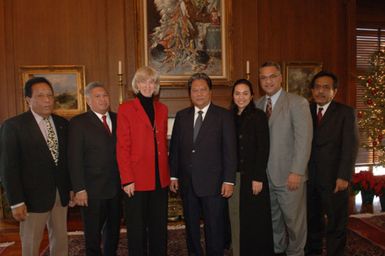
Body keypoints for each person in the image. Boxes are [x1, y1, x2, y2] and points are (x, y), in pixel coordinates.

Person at [0, 77, 73, 256]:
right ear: (28, 100)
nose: (47, 100)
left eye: (49, 95)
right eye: (40, 96)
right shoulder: (13, 126)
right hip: (31, 199)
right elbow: (8, 167)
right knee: (31, 243)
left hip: (59, 195)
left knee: (61, 239)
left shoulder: (63, 124)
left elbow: (66, 161)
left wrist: (70, 188)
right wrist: (16, 201)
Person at [169, 72, 237, 256]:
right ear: (189, 94)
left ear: (210, 92)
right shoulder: (182, 116)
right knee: (191, 227)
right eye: (194, 90)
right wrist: (173, 175)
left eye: (203, 90)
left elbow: (230, 151)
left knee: (214, 227)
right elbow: (175, 148)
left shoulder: (224, 116)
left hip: (214, 184)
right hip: (187, 183)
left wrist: (229, 180)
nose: (199, 94)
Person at [255, 62, 313, 256]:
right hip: (265, 176)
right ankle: (277, 250)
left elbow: (303, 140)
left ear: (280, 78)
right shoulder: (257, 104)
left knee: (294, 222)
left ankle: (296, 252)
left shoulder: (297, 103)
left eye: (272, 76)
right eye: (263, 77)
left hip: (289, 176)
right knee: (273, 220)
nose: (268, 81)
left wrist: (297, 171)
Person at [116, 66, 170, 256]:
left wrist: (169, 175)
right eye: (143, 81)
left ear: (156, 85)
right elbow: (122, 147)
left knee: (159, 228)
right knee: (137, 229)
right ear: (136, 85)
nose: (148, 85)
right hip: (136, 180)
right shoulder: (126, 109)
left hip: (160, 179)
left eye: (152, 82)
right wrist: (127, 179)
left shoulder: (162, 109)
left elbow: (163, 144)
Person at [305, 71, 359, 256]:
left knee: (336, 223)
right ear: (312, 90)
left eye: (326, 87)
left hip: (335, 179)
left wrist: (344, 176)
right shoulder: (305, 110)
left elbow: (350, 147)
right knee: (312, 222)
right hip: (309, 178)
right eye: (317, 87)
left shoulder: (346, 113)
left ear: (334, 91)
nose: (321, 91)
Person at [68, 82, 122, 256]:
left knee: (113, 232)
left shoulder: (119, 118)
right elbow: (74, 159)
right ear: (88, 101)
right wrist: (79, 189)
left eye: (105, 95)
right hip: (92, 190)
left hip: (116, 188)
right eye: (97, 96)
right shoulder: (78, 123)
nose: (103, 99)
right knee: (92, 235)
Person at [229, 79, 274, 255]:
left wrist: (258, 177)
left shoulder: (259, 116)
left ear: (252, 96)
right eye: (237, 93)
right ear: (233, 96)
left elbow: (263, 149)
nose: (241, 97)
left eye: (245, 93)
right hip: (233, 176)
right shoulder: (228, 117)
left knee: (254, 220)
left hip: (253, 177)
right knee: (235, 217)